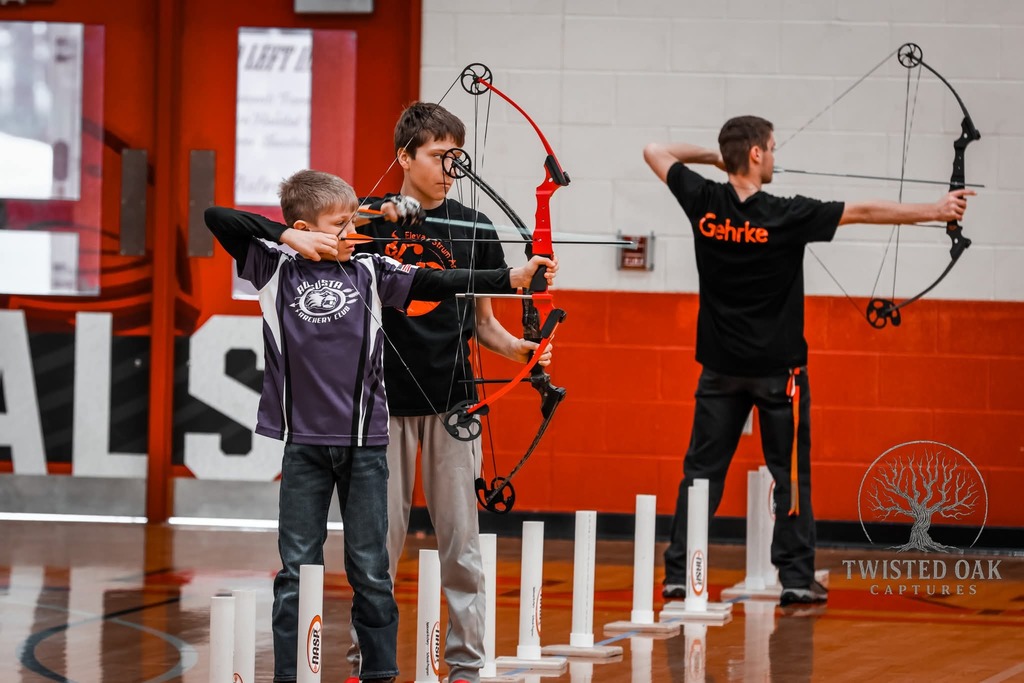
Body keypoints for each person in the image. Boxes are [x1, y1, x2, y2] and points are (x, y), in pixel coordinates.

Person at [204, 169, 556, 683]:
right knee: (295, 571)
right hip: (302, 445)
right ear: (306, 228)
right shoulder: (272, 266)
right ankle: (288, 674)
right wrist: (287, 236)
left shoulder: (370, 267)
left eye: (353, 223)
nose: (352, 233)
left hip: (367, 444)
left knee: (371, 570)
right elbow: (219, 218)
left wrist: (512, 280)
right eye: (339, 225)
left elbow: (440, 281)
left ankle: (379, 675)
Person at [643, 116, 973, 607]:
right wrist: (936, 209)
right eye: (770, 148)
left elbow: (654, 150)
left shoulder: (704, 202)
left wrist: (716, 159)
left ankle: (678, 576)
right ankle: (795, 578)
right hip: (780, 375)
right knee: (789, 477)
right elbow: (861, 211)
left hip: (720, 370)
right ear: (755, 155)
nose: (775, 156)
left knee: (701, 473)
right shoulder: (784, 213)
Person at [349, 102, 553, 683]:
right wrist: (370, 219)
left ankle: (466, 666)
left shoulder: (475, 227)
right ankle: (369, 664)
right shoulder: (367, 225)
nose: (449, 169)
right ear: (404, 157)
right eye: (439, 157)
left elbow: (484, 324)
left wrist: (525, 354)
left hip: (454, 405)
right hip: (379, 407)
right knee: (375, 552)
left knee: (461, 548)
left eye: (456, 158)